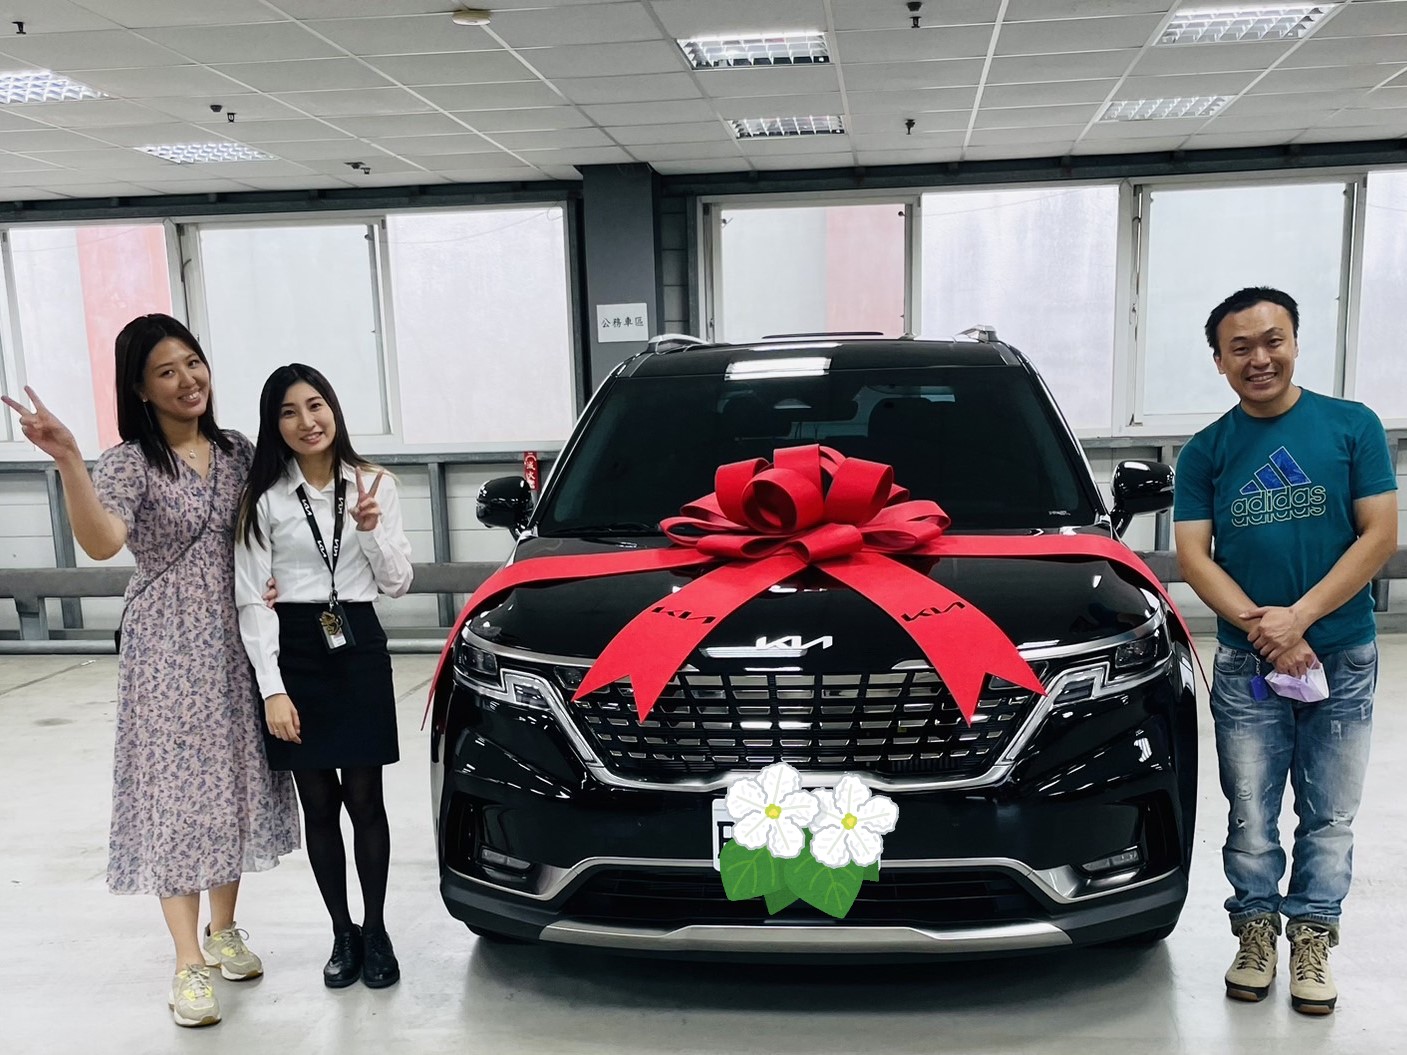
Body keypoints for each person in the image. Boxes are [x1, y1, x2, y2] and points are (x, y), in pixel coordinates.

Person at [2, 314, 300, 1029]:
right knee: (177, 797)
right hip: (167, 649)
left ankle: (223, 929)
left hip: (239, 639)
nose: (187, 380)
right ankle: (186, 962)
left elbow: (273, 529)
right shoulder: (130, 462)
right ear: (140, 387)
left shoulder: (238, 450)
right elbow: (104, 540)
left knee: (232, 783)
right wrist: (70, 461)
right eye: (166, 371)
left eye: (193, 363)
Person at [1174, 286, 1397, 1016]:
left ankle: (1312, 935)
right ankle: (1255, 931)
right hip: (1248, 664)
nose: (1259, 358)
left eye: (1273, 341)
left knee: (1329, 812)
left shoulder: (1351, 426)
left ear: (1295, 342)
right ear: (1219, 361)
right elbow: (1193, 555)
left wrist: (1298, 619)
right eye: (1239, 348)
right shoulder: (1206, 451)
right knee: (1249, 811)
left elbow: (1378, 535)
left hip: (1341, 654)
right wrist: (1265, 631)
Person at [234, 364, 412, 990]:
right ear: (274, 425)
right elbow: (252, 598)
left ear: (333, 408)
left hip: (358, 642)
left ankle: (377, 929)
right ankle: (342, 931)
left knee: (366, 799)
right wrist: (272, 689)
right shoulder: (264, 499)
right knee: (319, 804)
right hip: (296, 650)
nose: (307, 421)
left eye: (315, 405)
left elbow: (397, 583)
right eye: (289, 412)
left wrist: (371, 531)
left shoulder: (375, 484)